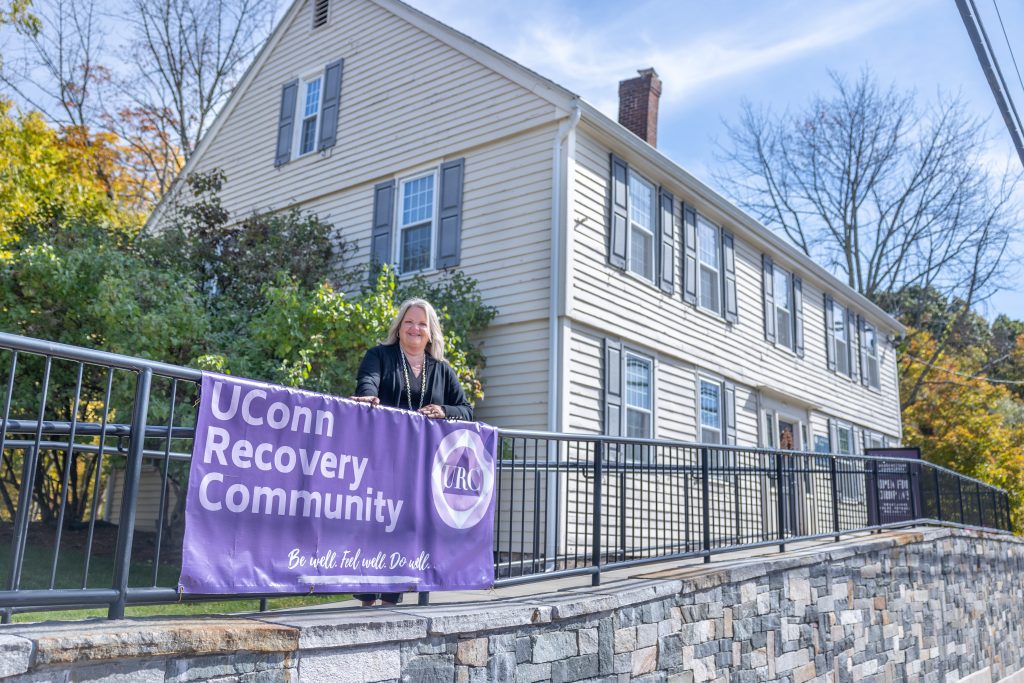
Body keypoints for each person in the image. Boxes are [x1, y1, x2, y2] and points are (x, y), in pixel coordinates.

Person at [349, 298, 473, 606]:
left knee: (403, 530)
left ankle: (392, 599)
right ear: (399, 328)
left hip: (421, 466)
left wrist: (445, 410)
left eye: (421, 323)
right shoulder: (380, 355)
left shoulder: (442, 371)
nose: (414, 328)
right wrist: (367, 397)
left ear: (431, 333)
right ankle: (366, 598)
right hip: (381, 459)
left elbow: (467, 410)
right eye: (409, 322)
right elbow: (368, 382)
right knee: (375, 524)